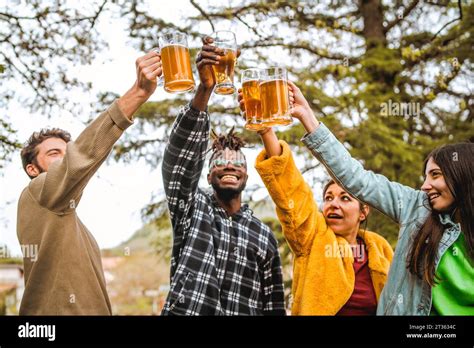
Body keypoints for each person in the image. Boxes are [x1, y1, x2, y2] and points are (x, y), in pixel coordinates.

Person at [283, 81, 473, 315]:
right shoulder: (417, 208)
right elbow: (357, 178)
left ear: (461, 176)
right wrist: (308, 117)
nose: (425, 186)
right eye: (425, 176)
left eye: (435, 175)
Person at [17, 50, 162, 315]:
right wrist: (138, 93)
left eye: (65, 152)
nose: (63, 159)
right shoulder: (37, 192)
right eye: (53, 154)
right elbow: (79, 157)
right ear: (32, 169)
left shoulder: (65, 216)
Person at [238, 91, 393, 315]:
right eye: (328, 198)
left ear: (363, 212)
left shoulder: (380, 249)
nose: (333, 204)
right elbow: (292, 193)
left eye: (345, 198)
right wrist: (265, 130)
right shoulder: (312, 237)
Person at [161, 37, 285, 315]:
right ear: (206, 176)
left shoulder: (263, 235)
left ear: (246, 174)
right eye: (220, 161)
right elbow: (178, 162)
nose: (229, 166)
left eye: (237, 162)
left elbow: (274, 306)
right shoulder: (192, 209)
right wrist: (206, 89)